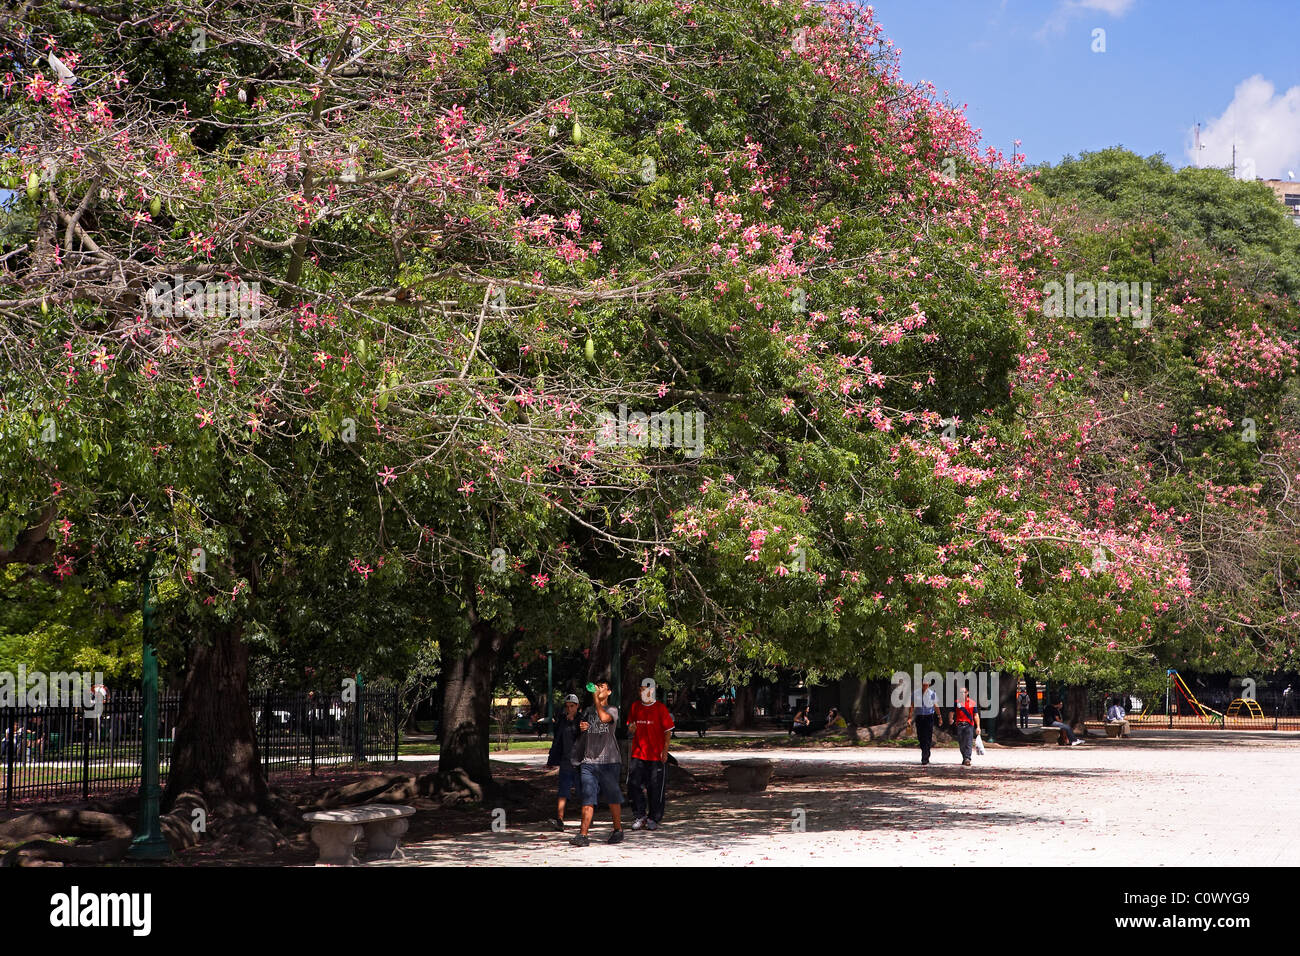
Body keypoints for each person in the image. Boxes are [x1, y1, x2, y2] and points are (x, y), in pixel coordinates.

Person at [570, 680, 624, 847]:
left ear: (609, 692)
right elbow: (583, 727)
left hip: (609, 761)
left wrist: (595, 699)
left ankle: (618, 830)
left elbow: (603, 717)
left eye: (602, 687)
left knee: (612, 797)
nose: (599, 689)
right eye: (597, 686)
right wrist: (582, 726)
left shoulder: (612, 710)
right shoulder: (588, 711)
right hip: (589, 761)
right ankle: (583, 835)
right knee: (588, 796)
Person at [626, 678, 674, 831]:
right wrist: (631, 729)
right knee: (633, 784)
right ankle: (640, 815)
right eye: (640, 689)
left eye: (644, 689)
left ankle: (654, 817)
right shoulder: (635, 707)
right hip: (638, 754)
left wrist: (665, 751)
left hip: (656, 756)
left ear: (652, 690)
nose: (642, 692)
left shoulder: (660, 708)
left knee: (655, 787)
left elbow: (668, 732)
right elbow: (630, 727)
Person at [546, 695, 582, 830]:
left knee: (582, 791)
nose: (569, 709)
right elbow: (558, 740)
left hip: (579, 761)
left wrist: (574, 723)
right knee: (563, 791)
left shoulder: (581, 720)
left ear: (577, 706)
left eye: (572, 706)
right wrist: (552, 758)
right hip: (566, 761)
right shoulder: (562, 720)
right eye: (567, 706)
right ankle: (559, 819)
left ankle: (587, 818)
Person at [908, 677, 939, 765]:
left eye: (926, 684)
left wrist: (939, 716)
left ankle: (925, 757)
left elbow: (936, 706)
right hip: (919, 717)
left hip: (929, 717)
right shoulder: (916, 693)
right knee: (920, 737)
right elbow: (912, 706)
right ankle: (925, 751)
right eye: (923, 684)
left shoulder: (932, 694)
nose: (925, 685)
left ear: (929, 684)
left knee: (927, 737)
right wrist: (909, 718)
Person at [952, 686, 982, 766]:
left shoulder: (972, 703)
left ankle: (967, 758)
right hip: (959, 724)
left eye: (964, 692)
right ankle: (964, 757)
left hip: (969, 725)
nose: (962, 694)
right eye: (961, 692)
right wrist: (950, 719)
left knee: (968, 742)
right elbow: (952, 712)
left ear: (967, 693)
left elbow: (976, 715)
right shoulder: (956, 702)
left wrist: (978, 726)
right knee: (961, 743)